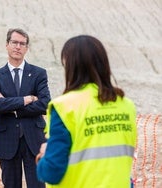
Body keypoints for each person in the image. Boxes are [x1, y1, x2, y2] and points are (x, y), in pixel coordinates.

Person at [36, 35, 137, 188]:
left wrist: (43, 157)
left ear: (70, 66)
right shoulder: (126, 105)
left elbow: (52, 172)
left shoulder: (65, 107)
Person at [0, 28, 51, 188]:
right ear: (7, 45)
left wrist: (11, 106)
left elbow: (44, 104)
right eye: (14, 42)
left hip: (34, 139)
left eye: (22, 44)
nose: (18, 47)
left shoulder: (39, 74)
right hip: (7, 139)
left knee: (38, 185)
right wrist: (27, 99)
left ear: (26, 48)